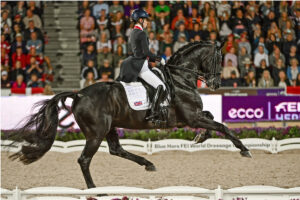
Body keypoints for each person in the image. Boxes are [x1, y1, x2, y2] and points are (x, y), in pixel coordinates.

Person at [118, 8, 166, 123]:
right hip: (142, 67)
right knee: (161, 86)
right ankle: (154, 113)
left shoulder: (133, 32)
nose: (147, 22)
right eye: (145, 20)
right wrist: (159, 59)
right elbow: (145, 53)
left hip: (137, 64)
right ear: (140, 20)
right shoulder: (141, 33)